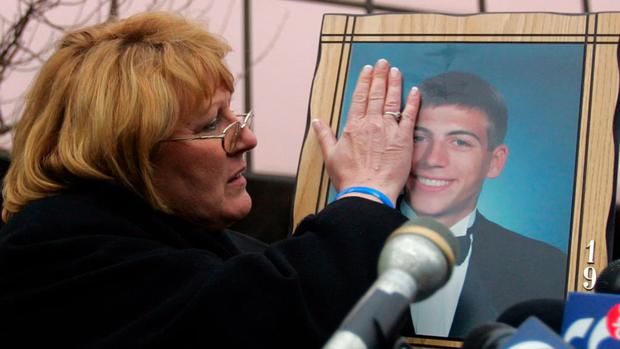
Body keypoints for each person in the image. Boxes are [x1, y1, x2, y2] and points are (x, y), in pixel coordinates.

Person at [0, 12, 421, 348]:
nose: (248, 138)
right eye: (209, 124)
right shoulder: (55, 258)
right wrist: (367, 192)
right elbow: (272, 320)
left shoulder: (202, 245)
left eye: (234, 113)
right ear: (125, 155)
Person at [399, 71, 567, 338]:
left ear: (495, 162)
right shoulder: (347, 245)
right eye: (419, 137)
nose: (433, 159)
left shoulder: (547, 266)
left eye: (459, 142)